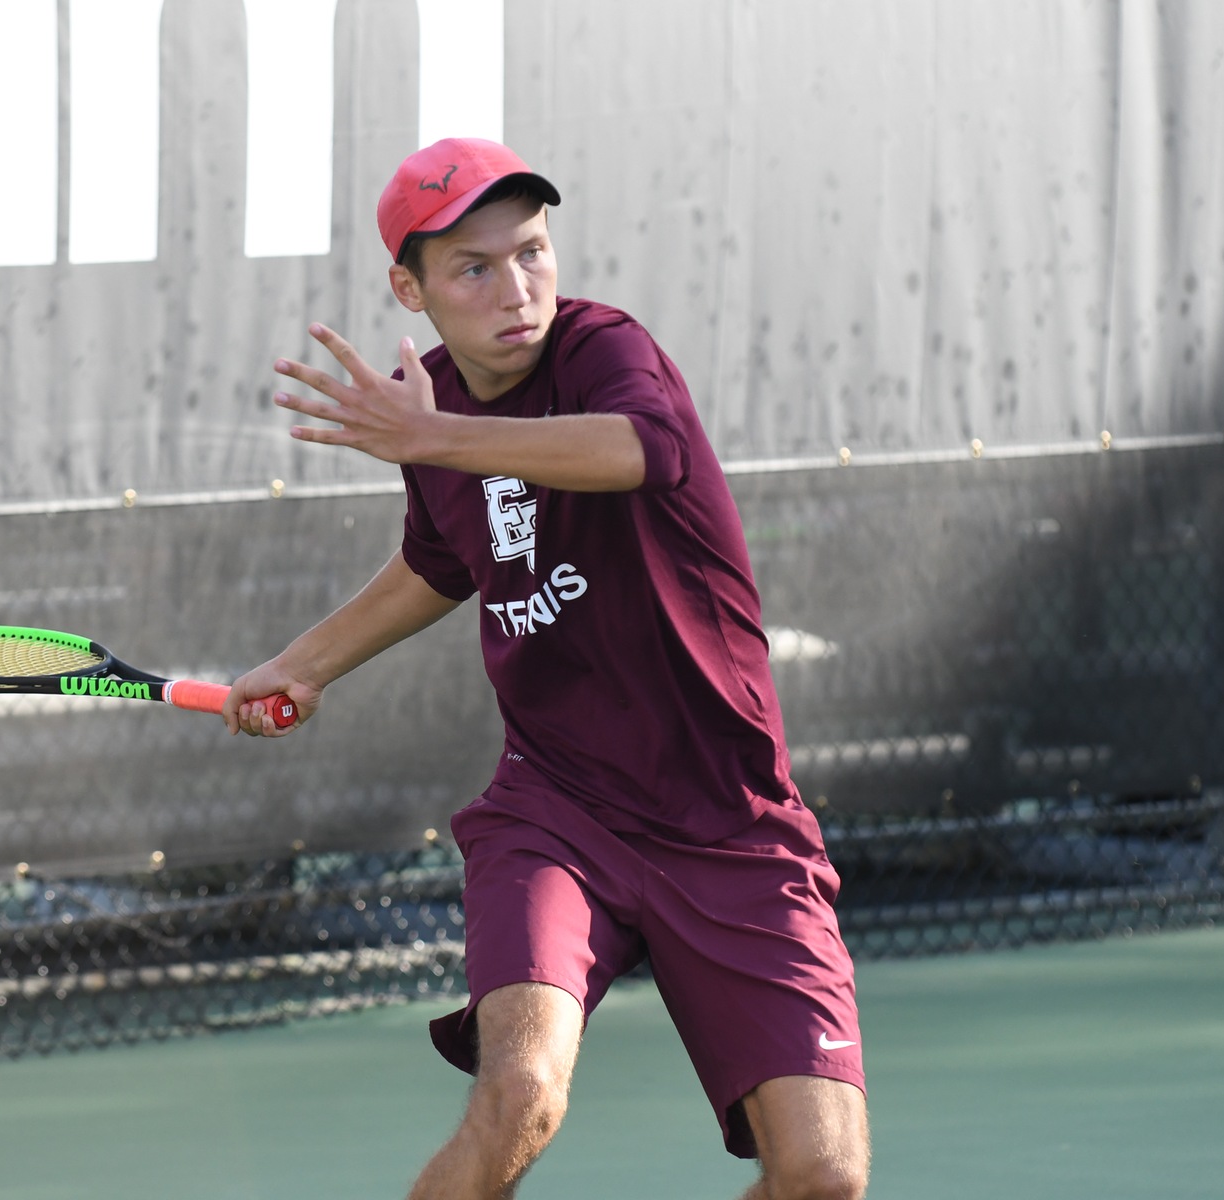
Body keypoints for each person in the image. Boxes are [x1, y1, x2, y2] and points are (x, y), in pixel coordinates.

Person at [225, 138, 870, 1200]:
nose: (514, 288)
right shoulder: (427, 408)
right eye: (473, 269)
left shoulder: (605, 351)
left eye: (530, 252)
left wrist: (433, 438)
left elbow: (636, 452)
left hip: (732, 819)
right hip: (558, 812)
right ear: (411, 288)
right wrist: (304, 664)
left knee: (824, 1177)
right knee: (521, 1095)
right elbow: (442, 561)